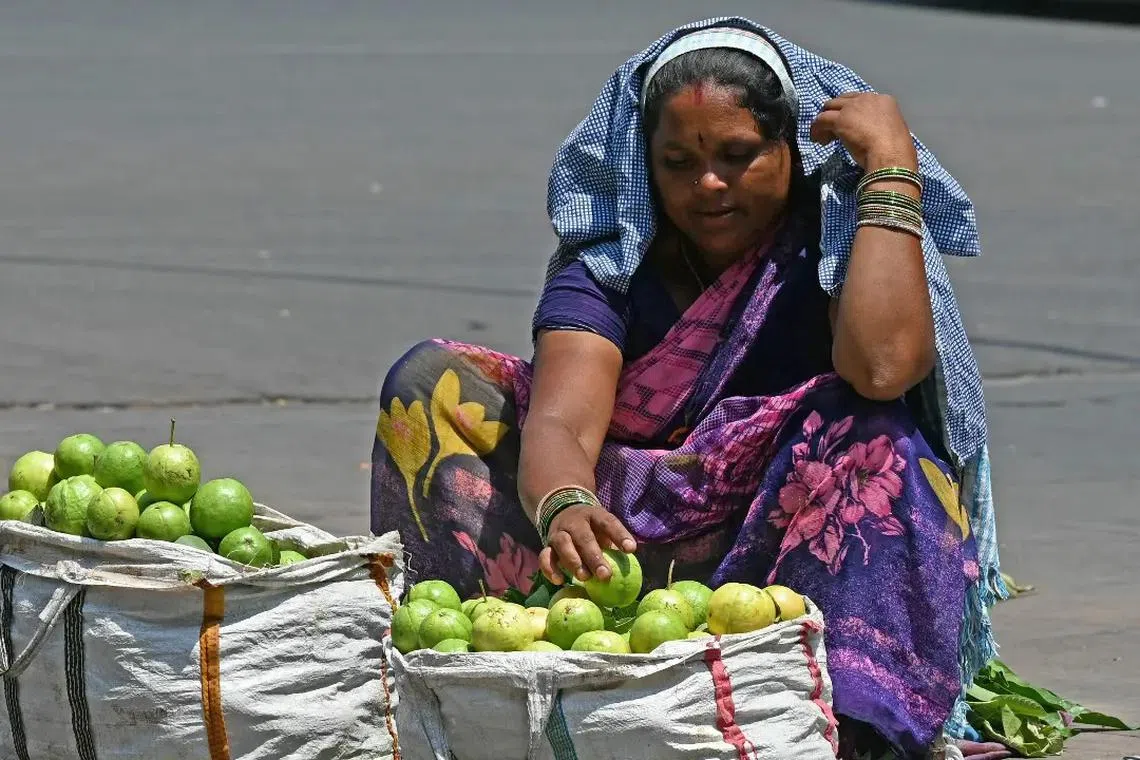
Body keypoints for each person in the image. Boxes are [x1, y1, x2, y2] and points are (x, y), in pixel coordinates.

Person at [371, 18, 1008, 759]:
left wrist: (892, 168)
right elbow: (561, 422)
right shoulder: (615, 263)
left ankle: (846, 720)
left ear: (790, 152)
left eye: (738, 156)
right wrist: (568, 503)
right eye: (678, 163)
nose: (708, 185)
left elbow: (884, 366)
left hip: (776, 573)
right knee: (433, 381)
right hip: (606, 561)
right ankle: (488, 683)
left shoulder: (824, 242)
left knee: (871, 429)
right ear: (647, 168)